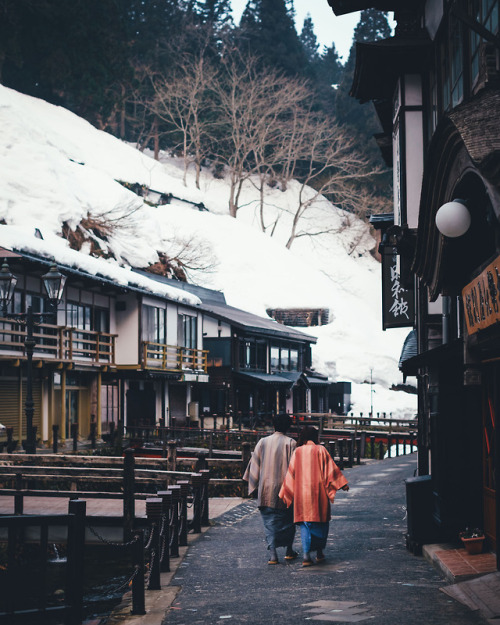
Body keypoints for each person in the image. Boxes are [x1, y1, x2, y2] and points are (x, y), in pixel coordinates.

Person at [279, 425, 349, 567]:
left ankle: (306, 556)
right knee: (321, 523)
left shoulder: (297, 452)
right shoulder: (320, 450)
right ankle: (319, 553)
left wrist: (285, 492)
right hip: (319, 493)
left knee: (305, 524)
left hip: (301, 494)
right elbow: (331, 470)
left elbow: (291, 474)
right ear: (315, 437)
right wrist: (342, 484)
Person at [243, 413, 298, 565]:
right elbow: (295, 469)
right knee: (288, 520)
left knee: (269, 522)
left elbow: (255, 464)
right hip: (285, 488)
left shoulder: (263, 442)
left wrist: (252, 483)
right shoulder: (291, 443)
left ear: (273, 425)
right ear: (288, 426)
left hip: (266, 487)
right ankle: (288, 550)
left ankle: (273, 555)